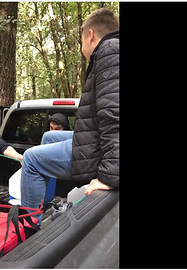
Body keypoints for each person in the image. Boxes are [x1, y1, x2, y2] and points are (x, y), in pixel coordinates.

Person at [20, 8, 119, 225]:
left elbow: (114, 117)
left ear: (90, 34)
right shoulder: (112, 51)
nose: (82, 46)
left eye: (81, 39)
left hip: (101, 153)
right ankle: (45, 207)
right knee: (48, 137)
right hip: (97, 140)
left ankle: (28, 227)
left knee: (31, 159)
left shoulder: (110, 51)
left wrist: (110, 176)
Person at [8, 112, 71, 205]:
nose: (53, 132)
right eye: (51, 128)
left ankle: (31, 212)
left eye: (57, 129)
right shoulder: (46, 138)